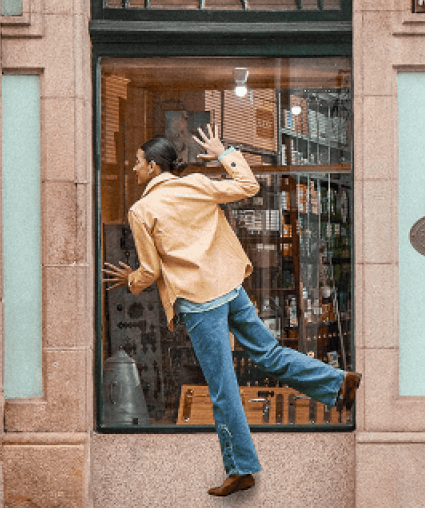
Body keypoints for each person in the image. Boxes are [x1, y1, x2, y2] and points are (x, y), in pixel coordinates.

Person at [103, 125, 361, 498]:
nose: (133, 169)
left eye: (138, 163)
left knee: (223, 386)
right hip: (229, 287)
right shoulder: (195, 185)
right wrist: (223, 153)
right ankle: (337, 381)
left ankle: (241, 469)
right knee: (269, 353)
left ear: (155, 168)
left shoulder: (141, 210)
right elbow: (248, 186)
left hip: (198, 301)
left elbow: (151, 271)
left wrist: (130, 281)